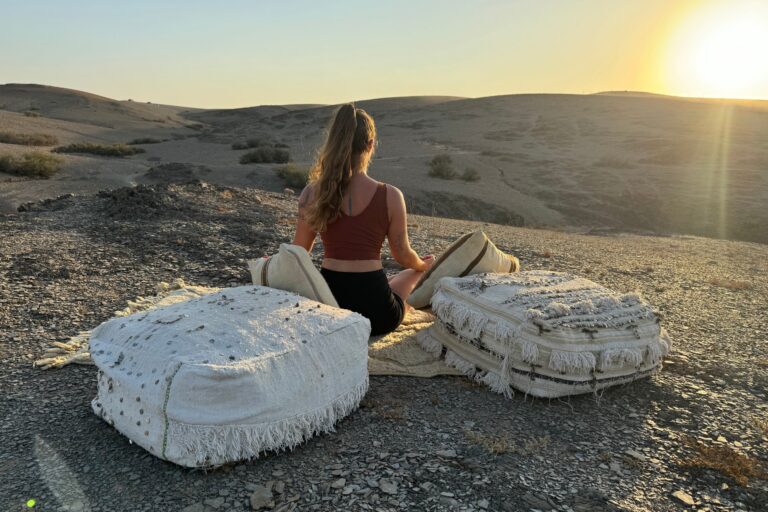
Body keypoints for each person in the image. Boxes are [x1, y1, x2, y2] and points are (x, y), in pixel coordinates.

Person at [292, 103, 434, 335]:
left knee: (396, 281)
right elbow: (402, 254)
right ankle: (420, 276)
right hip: (376, 313)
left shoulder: (312, 192)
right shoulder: (390, 195)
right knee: (409, 275)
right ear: (370, 145)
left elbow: (298, 253)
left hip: (330, 308)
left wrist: (272, 264)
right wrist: (422, 266)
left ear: (333, 143)